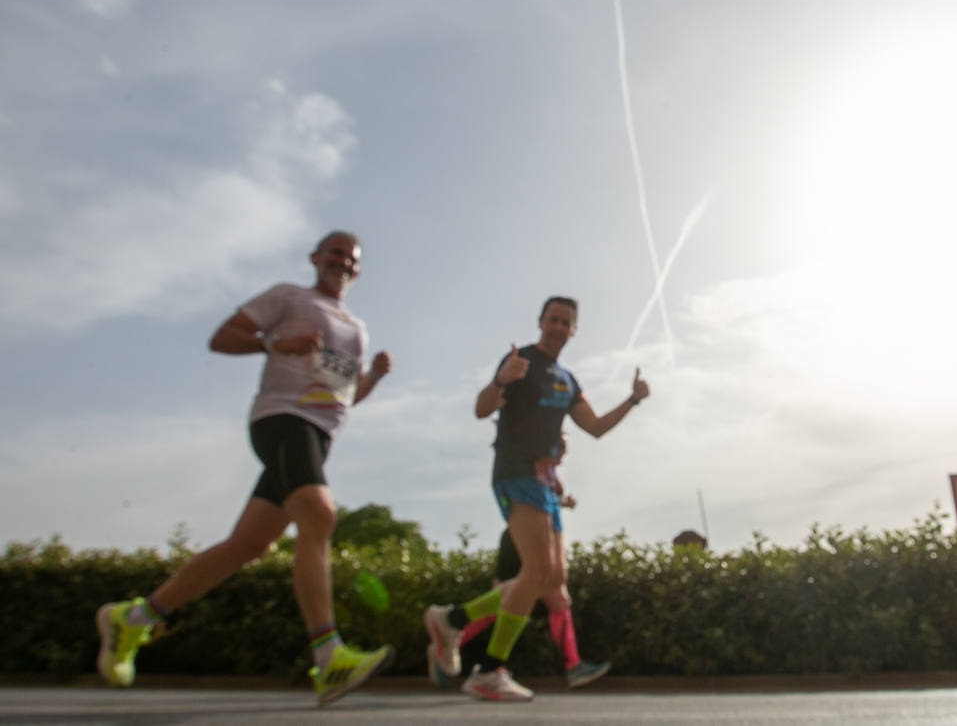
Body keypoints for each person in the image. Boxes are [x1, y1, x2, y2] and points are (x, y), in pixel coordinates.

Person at [95, 231, 396, 706]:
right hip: (282, 419)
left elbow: (348, 395)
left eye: (351, 258)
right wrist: (277, 343)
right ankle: (328, 657)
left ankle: (132, 619)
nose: (343, 261)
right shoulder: (288, 296)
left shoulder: (356, 328)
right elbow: (222, 338)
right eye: (335, 252)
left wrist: (374, 375)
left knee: (247, 546)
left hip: (319, 436)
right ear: (315, 257)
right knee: (319, 514)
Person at [424, 295, 649, 702]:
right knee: (538, 569)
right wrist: (501, 381)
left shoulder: (568, 380)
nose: (558, 327)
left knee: (551, 578)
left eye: (566, 322)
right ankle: (489, 671)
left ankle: (452, 619)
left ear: (574, 330)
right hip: (515, 472)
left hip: (544, 484)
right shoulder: (520, 362)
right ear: (540, 321)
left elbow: (596, 427)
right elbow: (481, 409)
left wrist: (632, 401)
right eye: (553, 319)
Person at [432, 433, 611, 690]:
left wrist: (562, 502)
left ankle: (572, 666)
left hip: (542, 537)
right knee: (506, 601)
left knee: (558, 598)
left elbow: (545, 503)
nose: (564, 452)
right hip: (519, 541)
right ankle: (450, 635)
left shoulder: (550, 477)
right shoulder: (528, 464)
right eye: (561, 446)